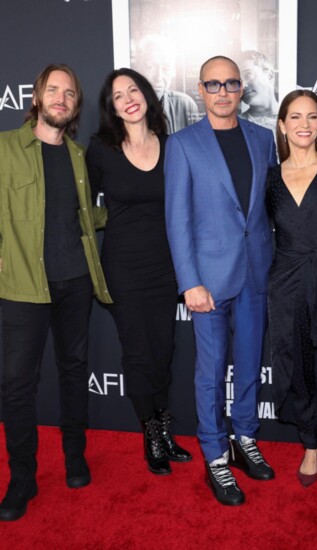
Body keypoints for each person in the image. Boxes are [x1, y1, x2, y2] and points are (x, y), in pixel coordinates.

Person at [0, 64, 112, 521]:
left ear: (75, 106)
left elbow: (87, 217)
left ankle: (74, 456)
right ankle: (22, 478)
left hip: (74, 282)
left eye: (70, 92)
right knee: (16, 385)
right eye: (54, 90)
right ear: (37, 96)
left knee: (74, 371)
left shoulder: (81, 157)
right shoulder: (6, 148)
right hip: (22, 285)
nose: (61, 98)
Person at [165, 55, 276, 506]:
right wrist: (190, 281)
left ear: (240, 89)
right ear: (200, 90)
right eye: (214, 84)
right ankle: (215, 454)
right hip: (207, 280)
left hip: (256, 270)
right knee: (210, 373)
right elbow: (177, 220)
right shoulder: (184, 144)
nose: (224, 92)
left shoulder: (263, 138)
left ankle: (244, 437)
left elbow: (268, 208)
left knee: (248, 362)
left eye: (231, 83)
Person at [85, 68, 192, 476]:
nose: (128, 98)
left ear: (146, 95)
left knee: (163, 348)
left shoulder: (172, 146)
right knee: (139, 353)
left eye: (133, 90)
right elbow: (83, 206)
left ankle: (165, 428)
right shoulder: (100, 150)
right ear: (111, 108)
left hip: (167, 266)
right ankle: (150, 434)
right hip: (123, 268)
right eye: (118, 96)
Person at [266, 89, 317, 488]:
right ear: (282, 125)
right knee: (302, 368)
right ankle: (311, 446)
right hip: (287, 281)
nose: (304, 125)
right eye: (295, 117)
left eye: (312, 117)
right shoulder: (271, 179)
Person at [132, 34, 199, 133]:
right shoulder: (126, 107)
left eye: (166, 68)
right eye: (150, 67)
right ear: (137, 69)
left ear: (173, 71)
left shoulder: (185, 105)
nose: (158, 76)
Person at [239, 50, 279, 132]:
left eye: (248, 75)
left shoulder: (296, 118)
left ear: (270, 76)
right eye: (237, 82)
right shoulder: (237, 126)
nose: (242, 86)